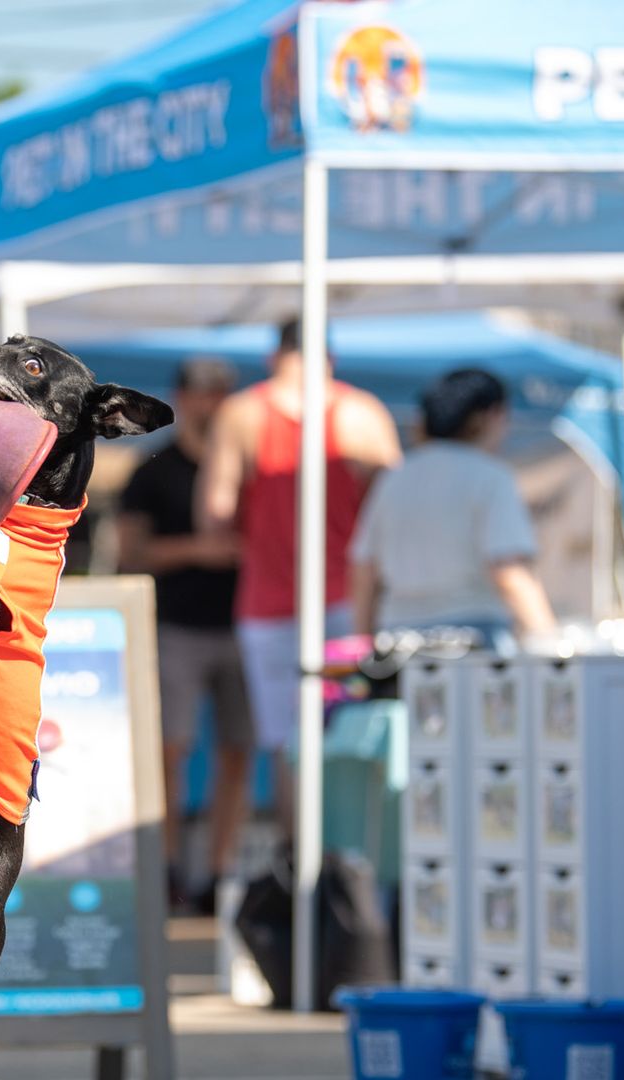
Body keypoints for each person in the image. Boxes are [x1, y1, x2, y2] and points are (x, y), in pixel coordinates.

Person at [198, 319, 401, 836]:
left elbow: (214, 515)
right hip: (348, 606)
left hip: (268, 606)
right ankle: (356, 860)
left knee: (288, 745)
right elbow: (396, 512)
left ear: (274, 356)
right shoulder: (364, 413)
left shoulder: (241, 414)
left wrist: (261, 529)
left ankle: (299, 873)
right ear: (330, 357)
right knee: (357, 733)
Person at [118, 359, 252, 914]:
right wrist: (200, 550)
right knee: (170, 753)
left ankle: (219, 874)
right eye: (199, 394)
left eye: (219, 393)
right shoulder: (153, 469)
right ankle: (170, 868)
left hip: (243, 625)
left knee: (238, 754)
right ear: (180, 398)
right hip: (176, 628)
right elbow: (130, 553)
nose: (209, 403)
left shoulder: (250, 464)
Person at [348, 368, 555, 648]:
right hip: (474, 638)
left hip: (396, 636)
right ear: (491, 415)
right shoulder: (491, 476)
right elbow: (509, 570)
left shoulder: (395, 478)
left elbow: (365, 568)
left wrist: (363, 642)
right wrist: (550, 638)